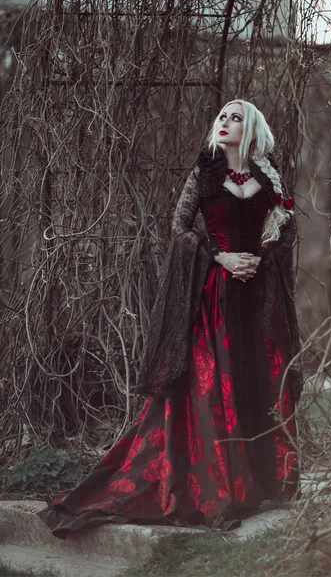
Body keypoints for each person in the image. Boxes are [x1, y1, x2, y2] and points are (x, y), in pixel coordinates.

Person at [38, 99, 303, 538]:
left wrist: (262, 257)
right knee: (212, 389)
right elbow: (179, 229)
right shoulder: (204, 175)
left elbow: (288, 228)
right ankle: (218, 492)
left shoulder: (267, 176)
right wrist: (220, 257)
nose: (224, 122)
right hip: (212, 300)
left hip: (255, 298)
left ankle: (257, 481)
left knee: (254, 380)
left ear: (251, 128)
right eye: (221, 116)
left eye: (235, 118)